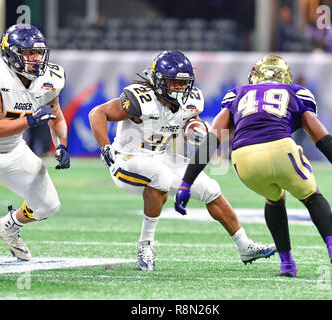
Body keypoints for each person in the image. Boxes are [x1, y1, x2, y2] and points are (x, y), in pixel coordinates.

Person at [175, 55, 332, 277]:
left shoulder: (237, 94)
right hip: (281, 149)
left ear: (254, 76)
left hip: (243, 159)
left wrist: (186, 183)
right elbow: (325, 142)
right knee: (312, 196)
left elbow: (212, 140)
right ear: (285, 77)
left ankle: (287, 265)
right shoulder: (295, 92)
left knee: (274, 199)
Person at [89, 50, 276, 271]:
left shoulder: (192, 99)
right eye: (173, 82)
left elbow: (190, 122)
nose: (179, 88)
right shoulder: (140, 99)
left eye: (182, 83)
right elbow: (97, 113)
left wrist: (194, 129)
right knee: (161, 177)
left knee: (210, 188)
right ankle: (145, 245)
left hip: (160, 156)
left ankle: (244, 246)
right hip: (127, 159)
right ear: (159, 80)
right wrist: (105, 147)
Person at [0, 24, 70, 273]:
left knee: (48, 205)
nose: (36, 58)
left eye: (39, 53)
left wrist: (61, 145)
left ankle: (8, 226)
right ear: (10, 54)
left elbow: (57, 116)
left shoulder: (51, 77)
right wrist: (29, 120)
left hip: (13, 149)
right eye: (28, 53)